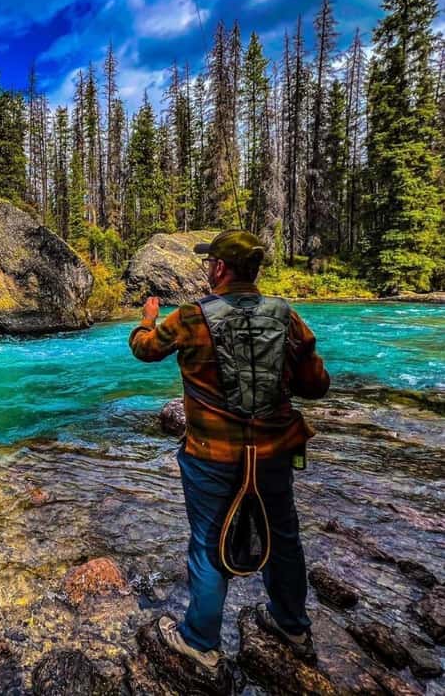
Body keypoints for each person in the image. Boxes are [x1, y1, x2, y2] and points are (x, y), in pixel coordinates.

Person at [128, 230, 330, 681]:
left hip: (211, 455)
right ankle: (292, 628)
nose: (208, 269)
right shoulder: (286, 316)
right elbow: (316, 385)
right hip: (275, 452)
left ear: (220, 268)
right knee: (284, 537)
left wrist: (146, 318)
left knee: (206, 543)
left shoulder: (190, 318)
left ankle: (201, 643)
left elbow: (144, 350)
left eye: (209, 263)